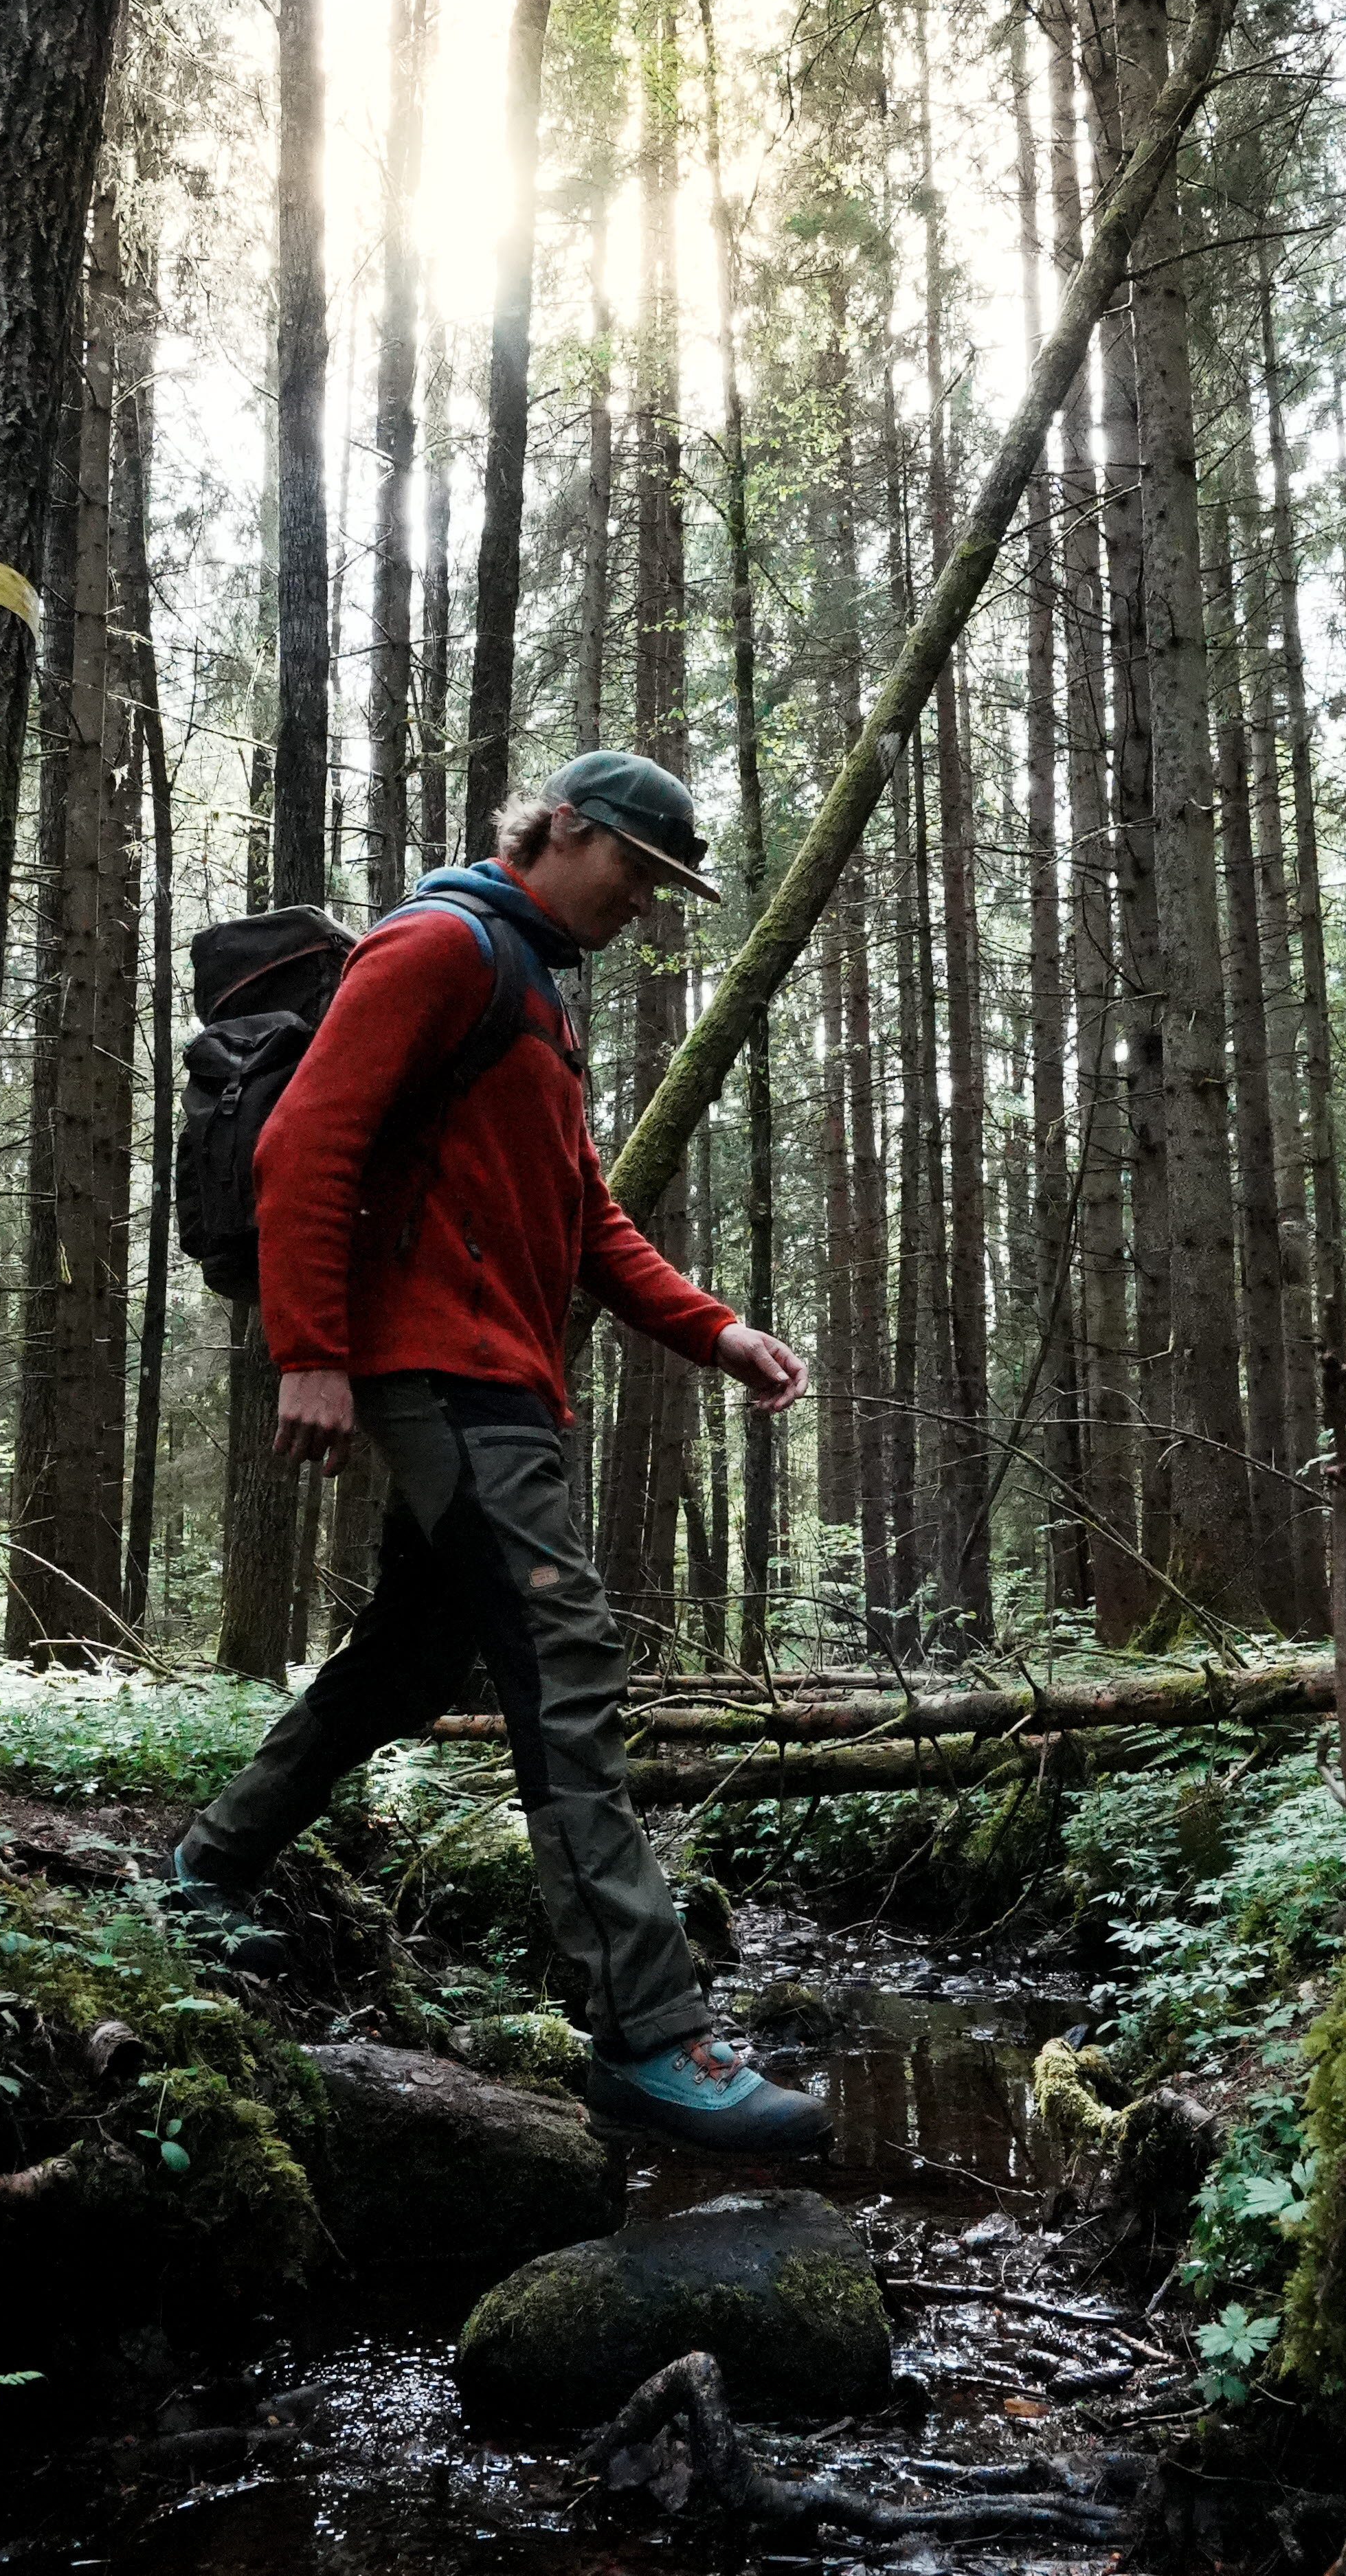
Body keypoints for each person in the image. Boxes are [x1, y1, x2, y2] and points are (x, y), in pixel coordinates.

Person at [169, 752, 829, 2158]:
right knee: (563, 1658)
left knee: (413, 1657)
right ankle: (649, 2036)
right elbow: (305, 1147)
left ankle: (209, 1863)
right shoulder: (440, 942)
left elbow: (589, 1222)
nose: (643, 905)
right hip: (440, 1376)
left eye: (663, 888)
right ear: (562, 831)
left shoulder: (535, 994)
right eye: (634, 873)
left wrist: (720, 1334)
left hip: (505, 1383)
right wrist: (310, 1349)